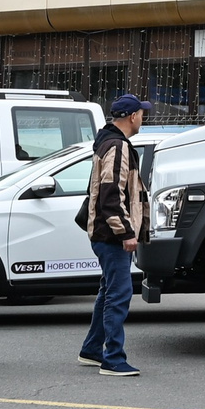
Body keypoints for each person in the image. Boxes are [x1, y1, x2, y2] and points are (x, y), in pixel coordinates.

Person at [77, 94, 149, 376]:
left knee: (108, 292)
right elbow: (110, 194)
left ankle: (92, 350)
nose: (143, 117)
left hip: (104, 233)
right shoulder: (117, 146)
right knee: (119, 294)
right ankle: (113, 358)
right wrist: (126, 233)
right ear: (132, 116)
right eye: (142, 113)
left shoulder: (109, 142)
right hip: (111, 235)